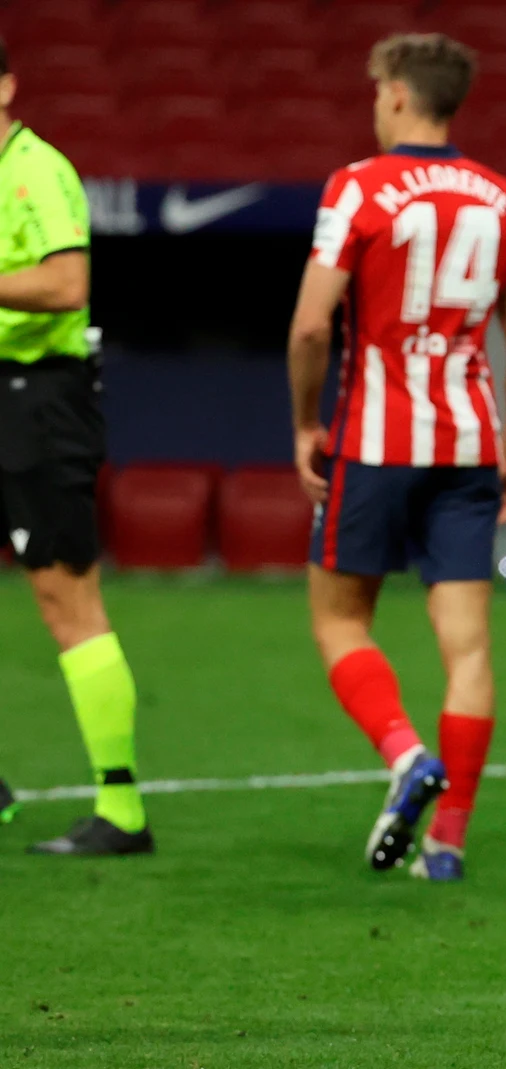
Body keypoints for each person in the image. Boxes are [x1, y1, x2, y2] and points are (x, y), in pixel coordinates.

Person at [287, 33, 506, 881]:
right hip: (468, 441)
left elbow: (313, 325)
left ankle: (405, 754)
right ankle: (448, 843)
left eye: (375, 91)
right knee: (466, 644)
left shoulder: (359, 187)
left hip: (375, 438)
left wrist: (303, 425)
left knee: (338, 618)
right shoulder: (504, 199)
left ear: (398, 94)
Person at [0, 37, 152, 856]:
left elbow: (66, 285)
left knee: (67, 600)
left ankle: (121, 807)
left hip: (38, 403)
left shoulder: (37, 171)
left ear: (7, 86)